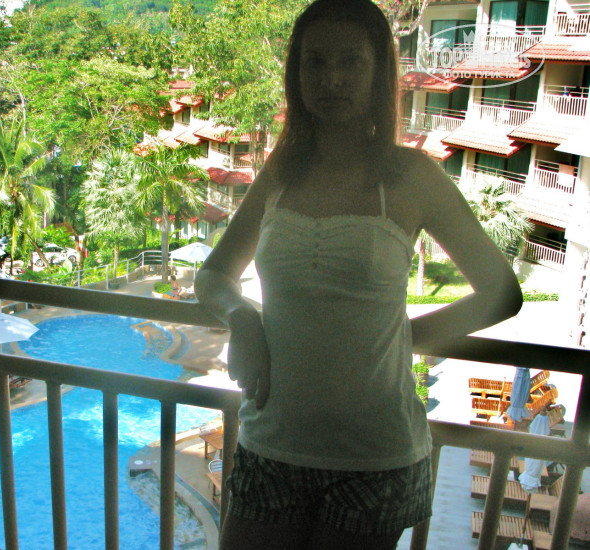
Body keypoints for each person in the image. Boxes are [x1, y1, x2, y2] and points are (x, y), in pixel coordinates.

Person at [194, 1, 523, 549]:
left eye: (350, 61)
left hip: (374, 457)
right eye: (315, 61)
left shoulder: (411, 176)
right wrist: (243, 319)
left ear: (378, 72)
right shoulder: (281, 171)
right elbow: (213, 275)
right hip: (272, 440)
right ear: (297, 72)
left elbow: (500, 292)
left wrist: (402, 340)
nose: (331, 78)